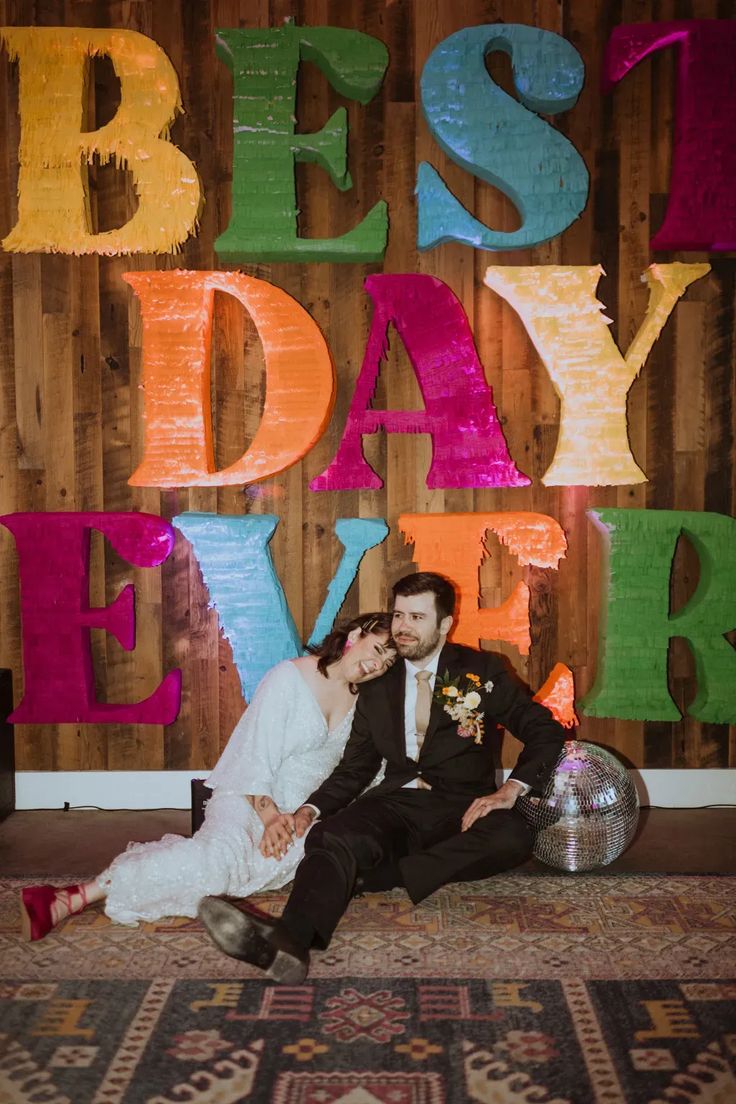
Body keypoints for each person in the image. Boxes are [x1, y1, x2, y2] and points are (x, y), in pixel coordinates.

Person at [198, 571, 567, 984]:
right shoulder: (377, 681)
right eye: (398, 615)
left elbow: (544, 730)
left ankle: (382, 875)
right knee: (330, 836)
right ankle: (290, 940)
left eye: (417, 617)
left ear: (445, 624)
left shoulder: (481, 670)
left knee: (514, 836)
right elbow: (357, 767)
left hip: (463, 808)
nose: (403, 627)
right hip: (395, 805)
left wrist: (509, 791)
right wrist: (309, 809)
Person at [19, 612, 397, 942]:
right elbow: (254, 754)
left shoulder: (367, 704)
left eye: (388, 663)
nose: (378, 664)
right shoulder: (291, 677)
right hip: (250, 798)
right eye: (377, 649)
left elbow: (363, 770)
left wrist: (300, 818)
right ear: (355, 635)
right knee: (216, 864)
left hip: (303, 819)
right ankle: (74, 896)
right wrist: (269, 818)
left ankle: (186, 869)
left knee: (254, 873)